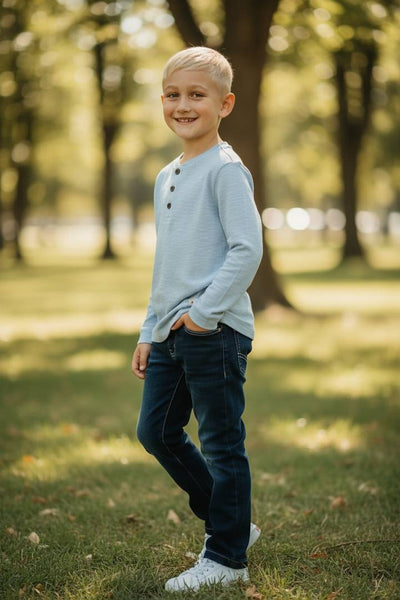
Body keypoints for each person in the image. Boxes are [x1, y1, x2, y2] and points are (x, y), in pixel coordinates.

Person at [132, 46, 263, 593]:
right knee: (157, 431)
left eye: (196, 95)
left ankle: (227, 558)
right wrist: (148, 329)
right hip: (169, 332)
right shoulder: (168, 174)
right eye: (172, 94)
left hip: (214, 330)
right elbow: (168, 265)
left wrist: (204, 316)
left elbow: (246, 249)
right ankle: (234, 523)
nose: (182, 105)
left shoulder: (226, 170)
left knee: (220, 442)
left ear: (224, 104)